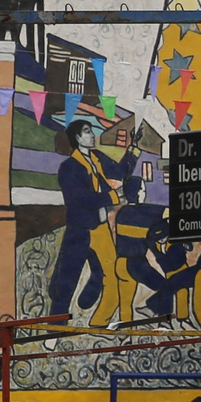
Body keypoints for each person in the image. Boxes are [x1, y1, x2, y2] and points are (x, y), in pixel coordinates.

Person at [50, 110, 136, 324]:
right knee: (65, 282)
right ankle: (55, 330)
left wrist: (134, 149)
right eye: (87, 132)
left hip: (100, 227)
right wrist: (112, 195)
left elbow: (119, 171)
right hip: (79, 230)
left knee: (112, 273)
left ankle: (99, 321)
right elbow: (83, 199)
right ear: (77, 138)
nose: (92, 135)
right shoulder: (69, 167)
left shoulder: (97, 159)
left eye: (91, 131)